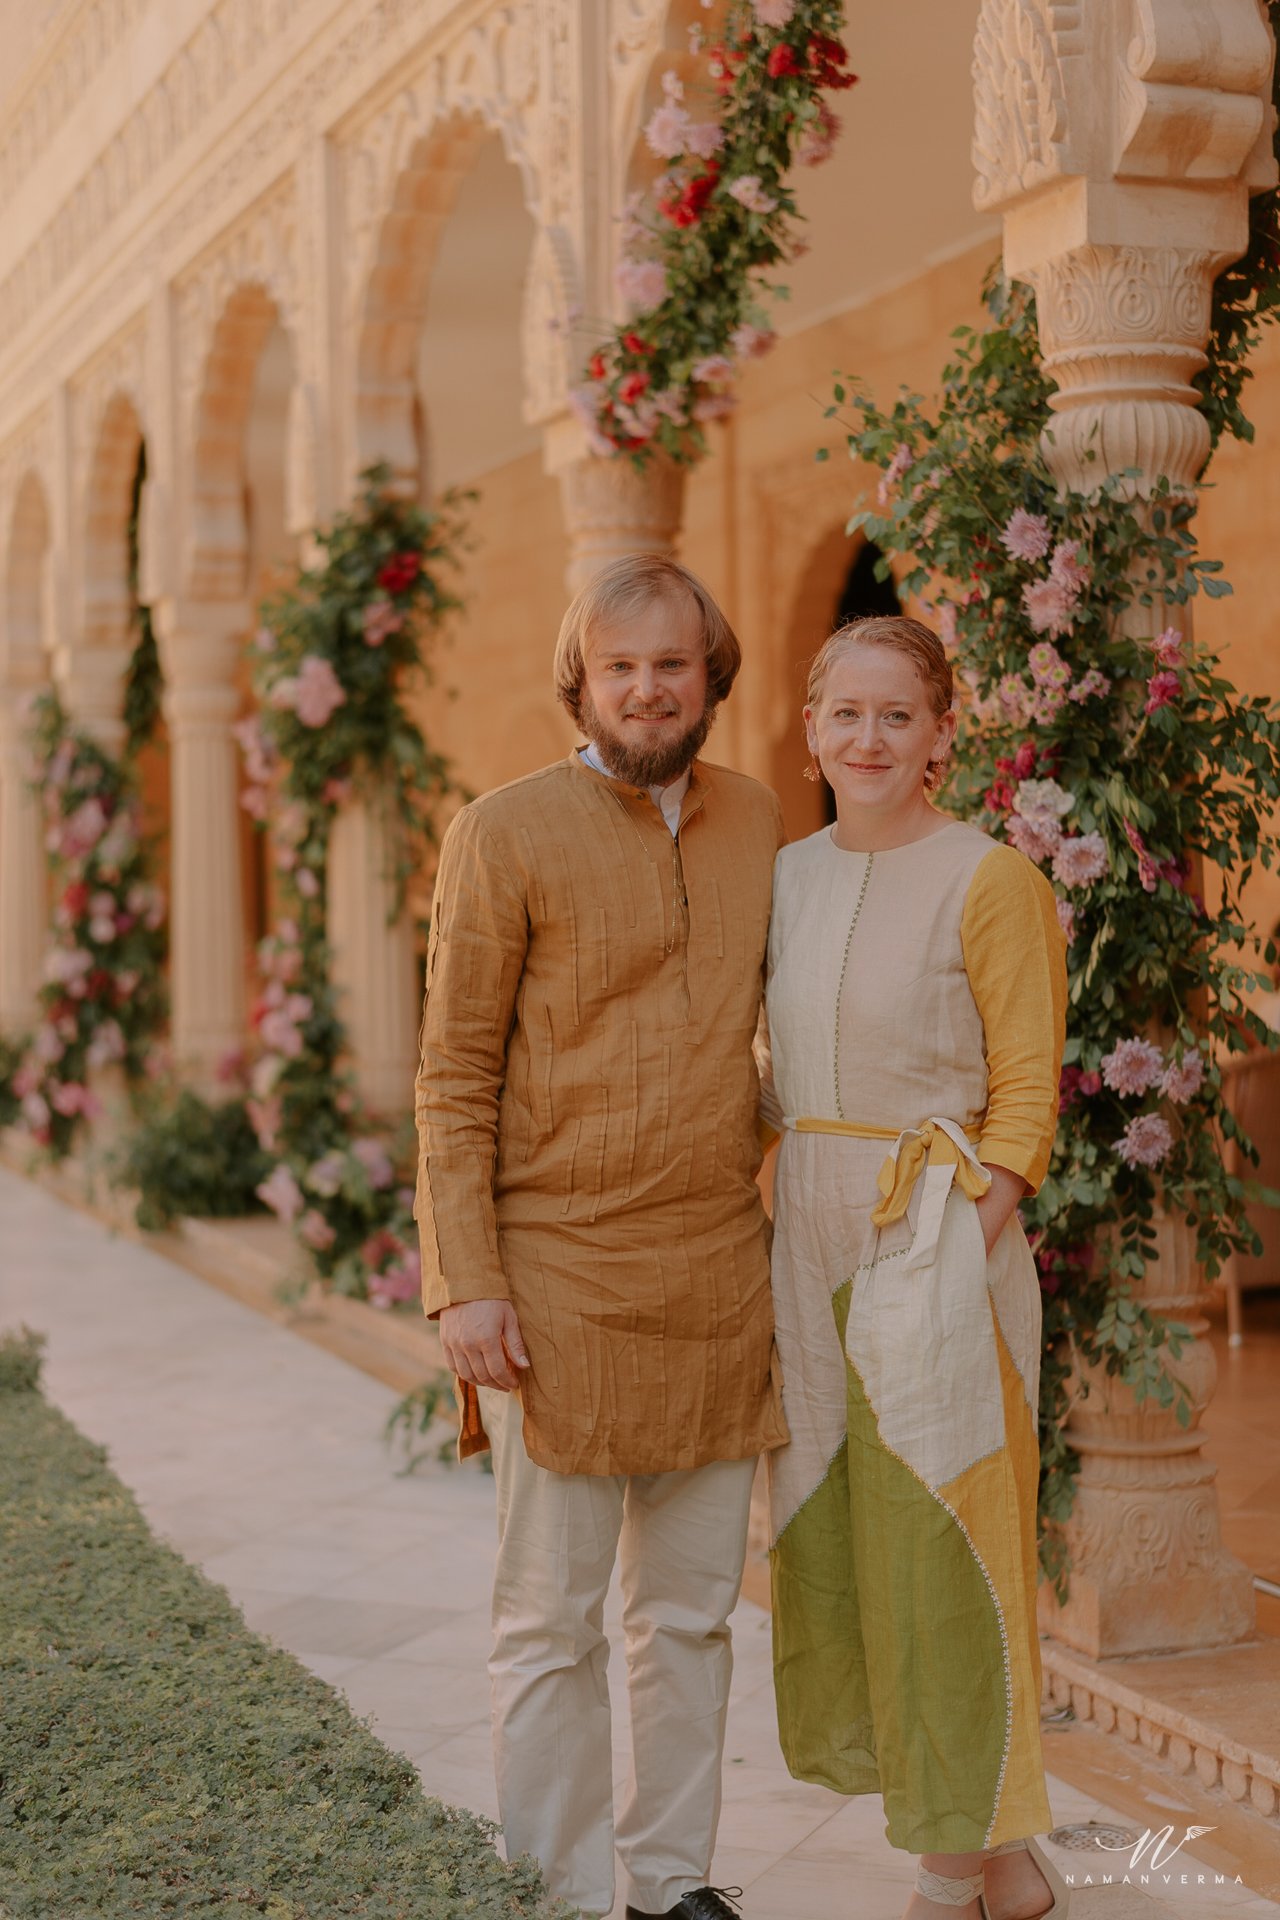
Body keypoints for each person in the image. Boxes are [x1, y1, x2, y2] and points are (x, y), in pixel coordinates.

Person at [414, 553, 788, 1920]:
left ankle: (670, 1882)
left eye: (672, 665)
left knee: (687, 1617)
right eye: (621, 667)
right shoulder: (500, 833)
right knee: (549, 1624)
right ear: (582, 680)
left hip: (711, 1276)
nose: (647, 690)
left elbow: (778, 1037)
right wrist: (466, 1283)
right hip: (554, 1280)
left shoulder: (756, 822)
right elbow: (451, 1075)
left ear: (711, 677)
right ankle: (557, 1895)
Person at [761, 615, 1070, 1920]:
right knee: (838, 1535)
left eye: (900, 715)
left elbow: (1027, 1090)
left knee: (947, 1549)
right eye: (848, 714)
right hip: (807, 1245)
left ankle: (952, 1876)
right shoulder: (781, 876)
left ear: (943, 734)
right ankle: (1008, 1866)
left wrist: (963, 1240)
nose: (870, 739)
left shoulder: (988, 877)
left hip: (938, 1239)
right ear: (811, 725)